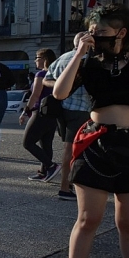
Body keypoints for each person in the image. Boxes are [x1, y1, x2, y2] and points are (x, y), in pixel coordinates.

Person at [52, 4, 129, 258]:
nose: (96, 38)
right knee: (88, 218)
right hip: (97, 143)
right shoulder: (89, 62)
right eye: (92, 33)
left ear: (121, 33)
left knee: (126, 222)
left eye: (102, 34)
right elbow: (59, 92)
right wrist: (79, 54)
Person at [42, 31, 91, 201]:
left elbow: (45, 79)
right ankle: (65, 187)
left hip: (63, 109)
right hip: (82, 109)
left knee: (69, 147)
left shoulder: (63, 58)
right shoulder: (89, 59)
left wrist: (60, 88)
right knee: (72, 149)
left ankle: (68, 184)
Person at [19, 48, 61, 182]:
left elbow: (35, 94)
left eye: (37, 57)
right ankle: (44, 171)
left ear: (44, 59)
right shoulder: (57, 73)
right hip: (53, 113)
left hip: (40, 111)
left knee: (28, 142)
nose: (35, 60)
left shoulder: (41, 74)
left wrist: (26, 112)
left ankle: (51, 166)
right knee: (46, 144)